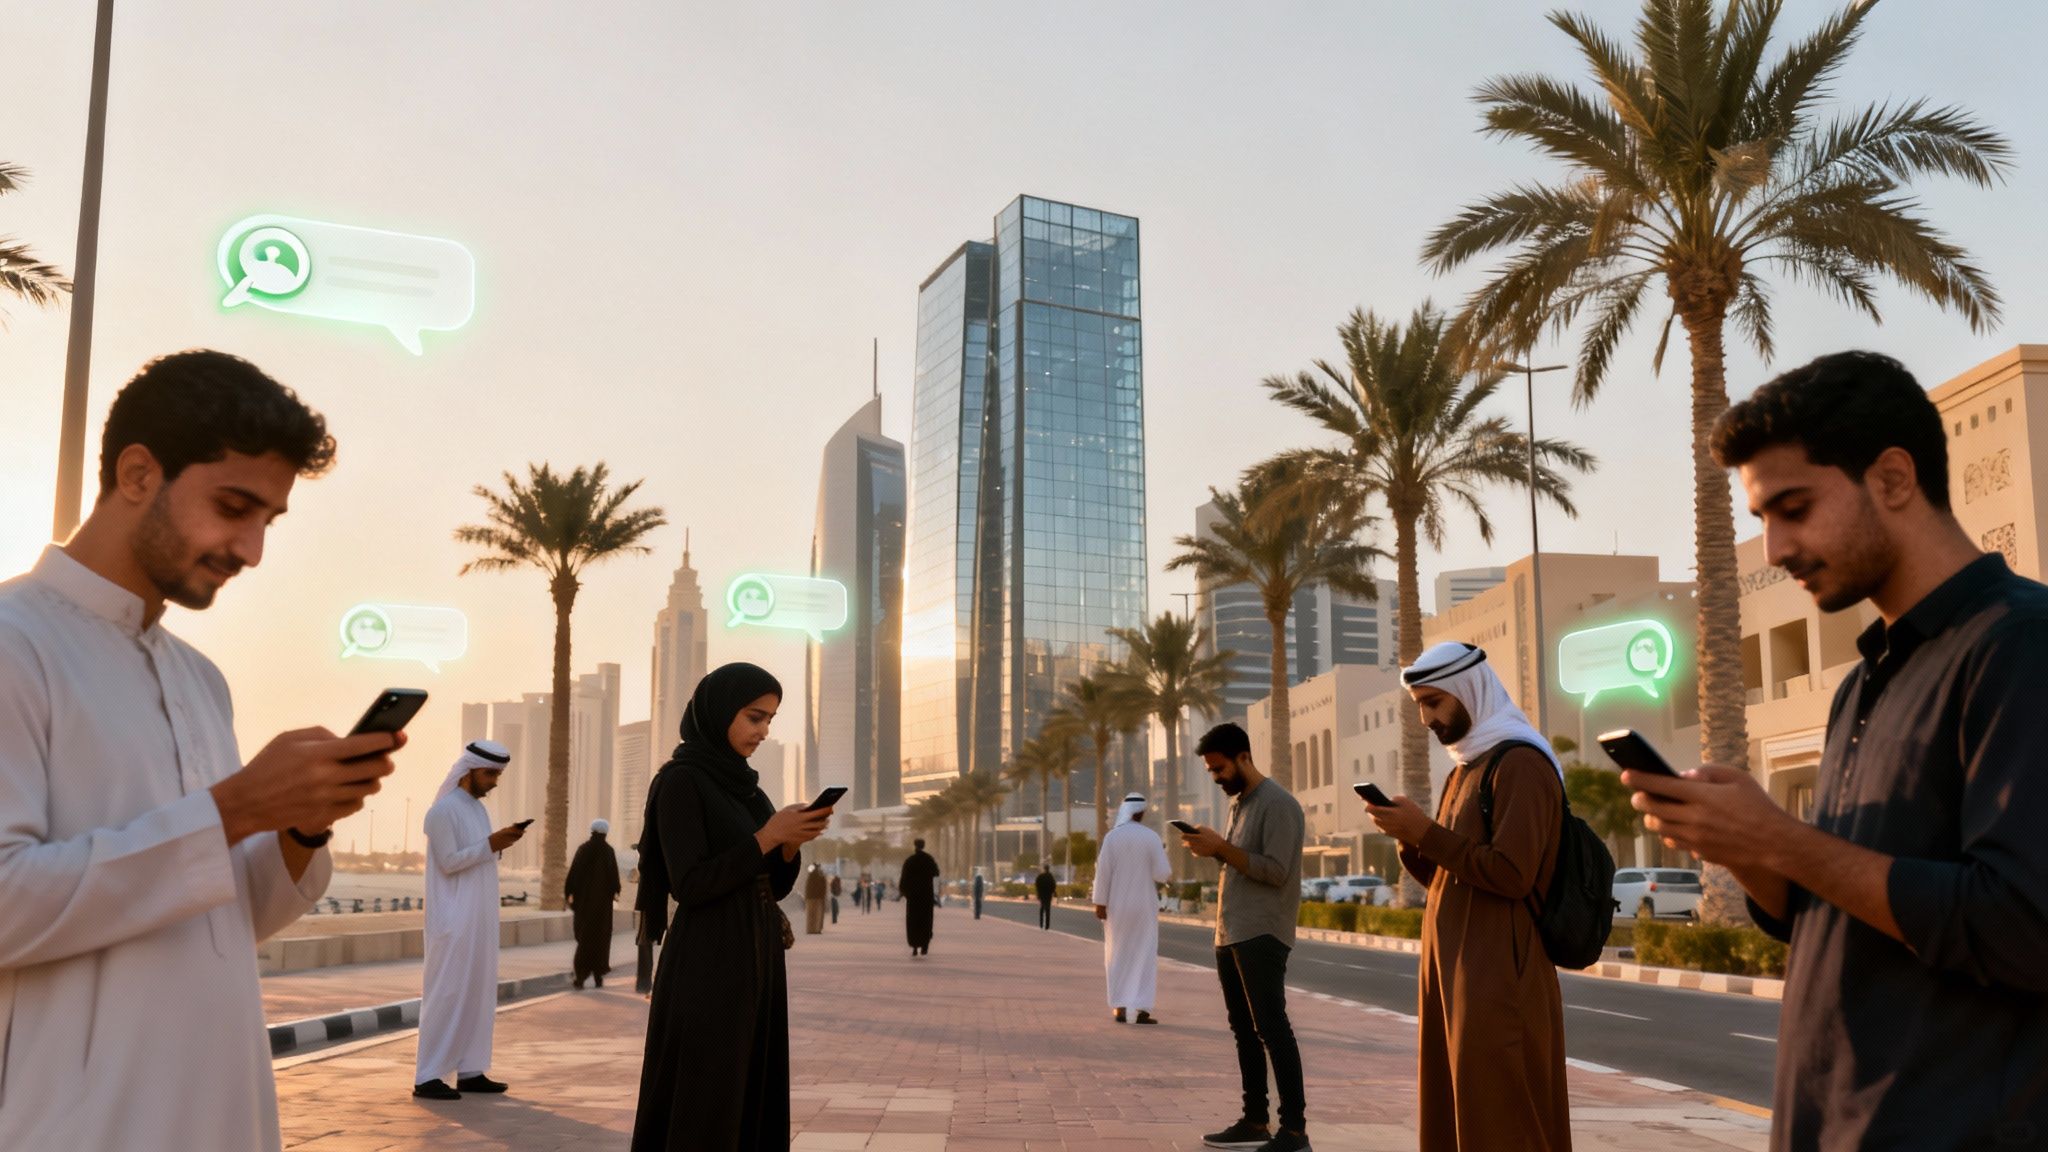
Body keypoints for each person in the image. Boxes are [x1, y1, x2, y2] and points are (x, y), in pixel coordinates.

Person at [1629, 352, 2048, 1151]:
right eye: (1760, 520)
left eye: (1793, 507)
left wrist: (1779, 838)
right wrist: (1746, 849)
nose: (1775, 546)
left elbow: (2022, 924)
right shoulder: (1865, 681)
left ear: (1892, 478)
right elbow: (1842, 907)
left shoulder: (2020, 647)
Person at [0, 351, 400, 1151]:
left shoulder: (200, 680)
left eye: (267, 522)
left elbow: (219, 911)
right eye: (233, 506)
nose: (251, 549)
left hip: (226, 1106)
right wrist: (236, 807)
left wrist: (298, 826)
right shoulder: (16, 645)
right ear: (139, 473)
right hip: (76, 1123)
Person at [1366, 641, 1570, 1151]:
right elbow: (1453, 872)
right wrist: (1412, 838)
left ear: (1467, 691)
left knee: (1502, 1117)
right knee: (1456, 1110)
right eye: (1419, 706)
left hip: (1499, 974)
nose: (1425, 719)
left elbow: (1511, 873)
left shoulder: (1520, 763)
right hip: (1456, 970)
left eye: (1433, 703)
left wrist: (1428, 834)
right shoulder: (1465, 768)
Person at [632, 663, 833, 1151]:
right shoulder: (682, 782)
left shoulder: (748, 788)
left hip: (757, 954)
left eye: (769, 720)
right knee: (708, 1089)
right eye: (754, 717)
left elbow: (774, 884)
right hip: (709, 956)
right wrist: (768, 836)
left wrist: (789, 845)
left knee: (750, 1083)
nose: (763, 731)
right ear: (720, 712)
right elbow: (692, 882)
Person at [1179, 723, 1309, 1152]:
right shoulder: (1240, 805)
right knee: (1244, 1030)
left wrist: (1219, 848)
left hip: (1263, 932)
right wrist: (1212, 847)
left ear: (1243, 758)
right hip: (1231, 931)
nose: (1216, 778)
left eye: (1219, 769)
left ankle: (1294, 1132)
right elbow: (1241, 865)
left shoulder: (1279, 805)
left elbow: (1275, 871)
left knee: (1273, 1029)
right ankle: (1255, 1121)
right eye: (1211, 771)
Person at [415, 741, 527, 1099]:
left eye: (498, 774)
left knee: (478, 991)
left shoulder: (477, 811)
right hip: (453, 919)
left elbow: (477, 856)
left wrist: (496, 841)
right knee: (447, 993)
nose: (495, 781)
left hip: (478, 918)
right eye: (490, 773)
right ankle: (428, 1075)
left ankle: (471, 1069)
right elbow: (449, 862)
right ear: (469, 770)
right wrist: (492, 843)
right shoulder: (442, 812)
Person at [1094, 793, 1171, 1024]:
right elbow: (1162, 874)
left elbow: (1103, 873)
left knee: (1117, 955)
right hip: (1144, 906)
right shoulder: (1152, 837)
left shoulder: (1112, 838)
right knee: (1144, 955)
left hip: (1117, 907)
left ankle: (1119, 1007)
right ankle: (1141, 1009)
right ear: (1142, 812)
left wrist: (1100, 903)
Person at [566, 818, 622, 990]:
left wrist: (568, 894)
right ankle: (598, 976)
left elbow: (573, 873)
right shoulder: (608, 851)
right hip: (603, 907)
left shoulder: (583, 850)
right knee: (600, 939)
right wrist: (616, 892)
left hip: (584, 905)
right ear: (605, 832)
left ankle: (580, 977)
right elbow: (614, 878)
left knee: (584, 939)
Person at [900, 838, 940, 958]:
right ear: (924, 845)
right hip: (926, 896)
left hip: (913, 897)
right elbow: (936, 872)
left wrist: (905, 892)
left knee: (913, 921)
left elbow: (904, 878)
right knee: (926, 921)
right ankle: (924, 945)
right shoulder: (928, 859)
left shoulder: (910, 860)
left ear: (915, 845)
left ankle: (915, 947)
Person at [804, 864, 829, 934]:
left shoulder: (810, 877)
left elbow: (807, 888)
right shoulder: (821, 877)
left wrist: (806, 897)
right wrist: (823, 897)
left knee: (810, 915)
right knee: (817, 915)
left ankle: (809, 929)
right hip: (818, 898)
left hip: (810, 898)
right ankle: (816, 929)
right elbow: (823, 888)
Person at [1035, 863, 1058, 929]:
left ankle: (1041, 924)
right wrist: (1054, 892)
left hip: (1042, 894)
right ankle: (1047, 926)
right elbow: (1053, 885)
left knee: (1042, 908)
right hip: (1048, 894)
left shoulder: (1041, 876)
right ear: (1048, 868)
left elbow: (1037, 885)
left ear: (1044, 868)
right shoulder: (1050, 877)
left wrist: (1038, 893)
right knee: (1047, 909)